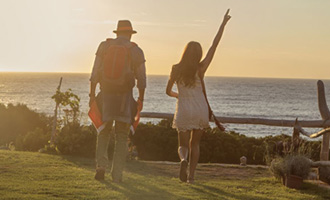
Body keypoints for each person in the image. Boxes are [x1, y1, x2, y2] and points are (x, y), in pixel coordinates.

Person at [166, 9, 231, 183]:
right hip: (200, 109)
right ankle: (192, 177)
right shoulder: (200, 69)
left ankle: (182, 160)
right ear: (198, 54)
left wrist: (179, 96)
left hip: (184, 109)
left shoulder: (175, 69)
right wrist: (222, 24)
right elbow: (214, 46)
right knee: (195, 144)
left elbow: (168, 91)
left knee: (183, 145)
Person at [89, 20, 146, 183]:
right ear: (130, 34)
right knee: (122, 136)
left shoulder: (104, 46)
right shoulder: (136, 50)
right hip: (124, 98)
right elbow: (142, 79)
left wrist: (92, 95)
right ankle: (117, 174)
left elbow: (94, 74)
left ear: (116, 33)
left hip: (105, 95)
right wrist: (141, 99)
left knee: (103, 131)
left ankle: (101, 166)